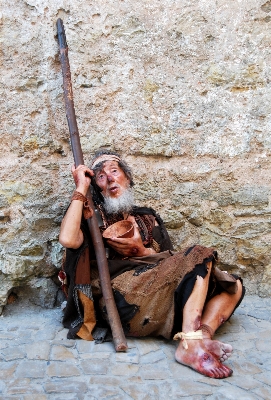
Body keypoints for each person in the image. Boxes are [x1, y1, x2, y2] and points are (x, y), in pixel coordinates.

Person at [59, 149, 245, 379]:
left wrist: (141, 250)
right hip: (124, 301)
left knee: (233, 286)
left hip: (160, 295)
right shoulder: (90, 217)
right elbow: (67, 239)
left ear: (127, 177)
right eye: (100, 176)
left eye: (114, 171)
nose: (109, 178)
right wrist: (80, 188)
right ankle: (190, 346)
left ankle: (201, 337)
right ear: (96, 187)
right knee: (199, 253)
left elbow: (175, 262)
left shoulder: (147, 217)